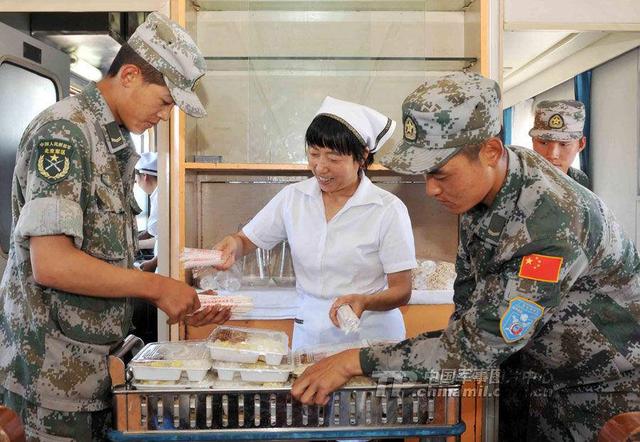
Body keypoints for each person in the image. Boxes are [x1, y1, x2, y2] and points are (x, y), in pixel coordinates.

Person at [291, 72, 640, 441]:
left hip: (597, 398)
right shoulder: (485, 192)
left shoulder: (553, 220)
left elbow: (482, 341)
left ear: (489, 151)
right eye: (426, 174)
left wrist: (355, 361)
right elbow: (469, 307)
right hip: (527, 382)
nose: (430, 189)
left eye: (440, 173)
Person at [0, 13, 231, 441]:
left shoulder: (113, 144)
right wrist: (157, 289)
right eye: (164, 101)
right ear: (129, 75)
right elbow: (51, 264)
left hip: (89, 372)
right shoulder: (66, 133)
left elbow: (98, 262)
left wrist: (173, 288)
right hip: (51, 381)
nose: (166, 115)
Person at [214, 96, 417, 350]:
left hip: (371, 333)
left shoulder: (387, 209)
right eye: (314, 154)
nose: (320, 167)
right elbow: (246, 240)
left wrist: (363, 301)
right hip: (311, 333)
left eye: (333, 158)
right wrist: (233, 244)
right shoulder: (294, 198)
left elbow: (402, 289)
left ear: (362, 156)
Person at [529, 99, 591, 188]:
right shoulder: (515, 179)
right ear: (533, 141)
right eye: (543, 143)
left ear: (581, 144)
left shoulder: (579, 180)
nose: (552, 155)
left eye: (563, 144)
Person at [134, 152, 159, 272]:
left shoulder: (161, 197)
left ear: (145, 176)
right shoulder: (158, 194)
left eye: (136, 179)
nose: (136, 183)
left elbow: (167, 240)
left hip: (164, 260)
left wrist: (153, 263)